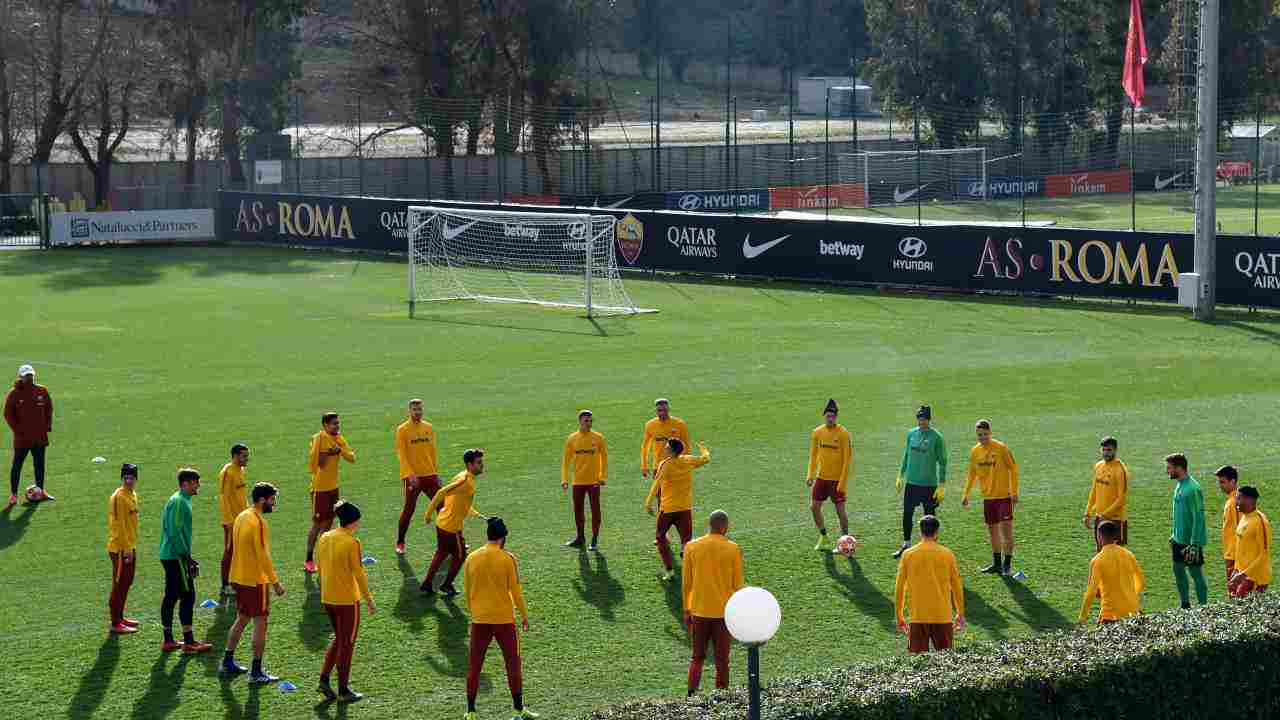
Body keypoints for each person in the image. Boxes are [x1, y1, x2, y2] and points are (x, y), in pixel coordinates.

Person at [462, 517, 538, 720]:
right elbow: (516, 591)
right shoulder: (508, 558)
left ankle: (470, 711)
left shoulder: (471, 558)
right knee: (513, 663)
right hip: (504, 620)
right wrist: (523, 615)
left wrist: (475, 612)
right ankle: (518, 709)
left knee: (475, 664)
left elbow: (468, 591)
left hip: (479, 620)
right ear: (503, 537)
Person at [222, 483, 286, 683]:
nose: (274, 503)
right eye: (272, 499)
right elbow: (262, 556)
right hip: (255, 580)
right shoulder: (258, 522)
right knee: (260, 622)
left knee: (242, 618)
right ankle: (256, 671)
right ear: (262, 499)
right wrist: (275, 583)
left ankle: (227, 661)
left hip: (239, 577)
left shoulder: (242, 516)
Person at [316, 500, 377, 702]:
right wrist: (369, 600)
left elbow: (321, 567)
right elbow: (359, 575)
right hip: (347, 601)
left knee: (339, 639)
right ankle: (343, 690)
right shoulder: (352, 543)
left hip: (327, 597)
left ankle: (324, 679)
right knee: (347, 643)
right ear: (353, 521)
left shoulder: (325, 537)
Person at [682, 510, 744, 696]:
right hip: (724, 615)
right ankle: (721, 696)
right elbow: (737, 585)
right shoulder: (733, 548)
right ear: (725, 526)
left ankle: (691, 695)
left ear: (710, 525)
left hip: (699, 612)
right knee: (722, 659)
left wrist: (686, 610)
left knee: (697, 657)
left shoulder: (692, 547)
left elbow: (687, 583)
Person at [422, 449, 488, 597]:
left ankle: (427, 583)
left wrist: (479, 516)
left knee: (441, 552)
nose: (482, 465)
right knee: (461, 555)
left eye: (481, 462)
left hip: (442, 523)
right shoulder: (464, 481)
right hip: (452, 528)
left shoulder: (463, 476)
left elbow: (460, 503)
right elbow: (441, 493)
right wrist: (428, 514)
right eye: (479, 462)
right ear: (470, 464)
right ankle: (446, 585)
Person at [893, 515, 964, 653]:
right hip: (943, 616)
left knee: (917, 665)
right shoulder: (947, 554)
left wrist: (899, 616)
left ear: (920, 532)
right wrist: (960, 613)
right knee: (946, 663)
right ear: (937, 532)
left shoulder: (908, 555)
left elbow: (900, 588)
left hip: (918, 617)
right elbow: (956, 586)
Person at [159, 468, 212, 653]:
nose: (199, 485)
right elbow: (174, 532)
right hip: (175, 556)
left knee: (172, 595)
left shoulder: (181, 500)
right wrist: (186, 557)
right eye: (196, 482)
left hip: (171, 555)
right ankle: (189, 642)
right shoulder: (179, 502)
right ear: (186, 483)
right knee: (187, 595)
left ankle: (168, 640)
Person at [644, 439, 711, 582]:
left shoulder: (665, 464)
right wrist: (703, 447)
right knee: (686, 541)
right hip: (685, 508)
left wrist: (648, 503)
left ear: (673, 451)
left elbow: (657, 484)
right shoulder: (688, 460)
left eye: (667, 447)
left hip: (667, 509)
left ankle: (669, 570)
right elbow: (706, 459)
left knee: (661, 538)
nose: (664, 449)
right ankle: (687, 561)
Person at [961, 419, 1020, 575]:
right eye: (979, 435)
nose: (982, 437)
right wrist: (966, 494)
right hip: (988, 498)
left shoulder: (1001, 448)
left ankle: (1007, 565)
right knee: (993, 532)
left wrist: (1014, 491)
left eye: (985, 434)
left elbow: (1013, 469)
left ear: (990, 433)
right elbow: (972, 474)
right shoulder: (975, 451)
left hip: (1004, 497)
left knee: (1006, 532)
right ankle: (996, 564)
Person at [894, 406, 947, 559]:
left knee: (929, 516)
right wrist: (900, 475)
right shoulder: (911, 434)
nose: (922, 422)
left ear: (929, 420)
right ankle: (906, 544)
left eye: (924, 419)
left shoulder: (936, 437)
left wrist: (942, 485)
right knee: (907, 514)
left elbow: (943, 462)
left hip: (929, 484)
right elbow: (906, 455)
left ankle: (932, 547)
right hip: (912, 483)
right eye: (920, 419)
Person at [307, 412, 356, 573]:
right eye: (334, 424)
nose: (337, 426)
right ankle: (308, 559)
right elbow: (319, 465)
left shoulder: (339, 439)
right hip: (319, 489)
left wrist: (340, 450)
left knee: (328, 524)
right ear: (325, 425)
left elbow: (352, 458)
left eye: (338, 423)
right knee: (317, 524)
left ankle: (324, 557)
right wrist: (329, 452)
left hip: (333, 488)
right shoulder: (319, 438)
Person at [806, 399, 853, 553]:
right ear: (824, 416)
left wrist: (842, 483)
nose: (830, 418)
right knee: (814, 507)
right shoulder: (817, 433)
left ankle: (845, 541)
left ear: (836, 417)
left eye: (832, 416)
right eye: (827, 416)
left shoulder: (843, 434)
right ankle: (823, 535)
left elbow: (847, 460)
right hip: (822, 478)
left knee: (840, 512)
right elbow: (813, 456)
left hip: (837, 480)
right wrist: (810, 475)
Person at [1078, 520, 1145, 625]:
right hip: (1132, 612)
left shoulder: (1097, 561)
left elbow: (1091, 592)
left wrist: (1083, 616)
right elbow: (1140, 582)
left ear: (1099, 536)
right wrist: (1130, 598)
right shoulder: (1129, 555)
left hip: (1111, 616)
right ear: (1115, 536)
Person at [5, 364, 54, 505]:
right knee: (17, 465)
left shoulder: (42, 390)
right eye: (27, 376)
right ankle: (14, 495)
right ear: (21, 377)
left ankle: (41, 491)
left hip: (40, 437)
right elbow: (8, 414)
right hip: (22, 439)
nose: (30, 377)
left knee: (40, 465)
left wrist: (47, 426)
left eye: (31, 375)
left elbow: (49, 408)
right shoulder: (14, 394)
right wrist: (17, 430)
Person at [395, 399, 439, 555]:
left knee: (443, 507)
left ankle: (446, 542)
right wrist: (409, 474)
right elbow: (401, 454)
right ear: (409, 411)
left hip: (430, 475)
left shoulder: (429, 427)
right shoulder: (402, 430)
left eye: (420, 409)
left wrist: (435, 472)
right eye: (415, 409)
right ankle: (400, 542)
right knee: (409, 510)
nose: (418, 412)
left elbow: (432, 451)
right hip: (413, 477)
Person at [561, 410, 609, 551]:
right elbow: (566, 461)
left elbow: (604, 459)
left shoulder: (598, 438)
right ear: (580, 422)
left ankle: (594, 539)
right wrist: (564, 479)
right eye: (586, 421)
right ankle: (580, 538)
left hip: (594, 482)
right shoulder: (572, 439)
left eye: (590, 421)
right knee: (578, 511)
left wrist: (602, 477)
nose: (589, 423)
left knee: (595, 510)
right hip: (578, 482)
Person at [1167, 453, 1208, 609]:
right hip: (1179, 540)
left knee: (1195, 573)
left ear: (1179, 468)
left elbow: (1198, 517)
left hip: (1191, 542)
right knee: (1178, 570)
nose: (1168, 471)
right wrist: (1174, 534)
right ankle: (1185, 604)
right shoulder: (1179, 485)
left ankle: (1204, 607)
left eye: (1169, 468)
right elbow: (1181, 514)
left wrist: (1194, 544)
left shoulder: (1193, 488)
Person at [106, 463, 141, 634]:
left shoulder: (132, 494)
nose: (128, 481)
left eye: (131, 477)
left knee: (127, 582)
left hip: (129, 546)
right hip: (120, 549)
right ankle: (115, 622)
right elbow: (119, 525)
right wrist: (127, 549)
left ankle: (120, 616)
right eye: (125, 477)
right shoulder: (119, 497)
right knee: (119, 584)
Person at [1083, 436, 1130, 552]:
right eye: (1103, 450)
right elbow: (1094, 491)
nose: (1105, 453)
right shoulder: (1098, 466)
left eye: (1109, 450)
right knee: (1101, 553)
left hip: (1116, 520)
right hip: (1100, 518)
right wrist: (1087, 513)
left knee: (1116, 556)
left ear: (1115, 450)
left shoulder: (1120, 470)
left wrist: (1105, 514)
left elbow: (1121, 499)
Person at [219, 444, 250, 596]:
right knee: (230, 551)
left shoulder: (241, 470)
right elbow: (224, 498)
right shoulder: (227, 472)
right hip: (232, 521)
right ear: (236, 456)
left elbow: (241, 495)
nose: (247, 459)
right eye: (244, 456)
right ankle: (225, 585)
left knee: (240, 551)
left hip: (242, 518)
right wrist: (229, 521)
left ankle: (236, 581)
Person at [1229, 486, 1271, 598]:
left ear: (1249, 500)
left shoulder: (1260, 521)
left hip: (1255, 578)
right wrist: (1236, 569)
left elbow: (1263, 554)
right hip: (1242, 574)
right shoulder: (1244, 517)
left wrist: (1243, 574)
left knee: (1244, 611)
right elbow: (1241, 548)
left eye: (1239, 498)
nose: (1236, 502)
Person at [640, 398, 689, 482]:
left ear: (669, 409)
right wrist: (644, 465)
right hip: (658, 466)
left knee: (674, 493)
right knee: (659, 494)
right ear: (656, 411)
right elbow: (645, 446)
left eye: (665, 410)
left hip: (676, 465)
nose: (662, 413)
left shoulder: (680, 424)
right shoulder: (650, 425)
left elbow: (686, 446)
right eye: (659, 410)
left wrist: (686, 463)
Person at [1217, 465, 1241, 590]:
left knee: (1235, 591)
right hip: (1231, 552)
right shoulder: (1232, 499)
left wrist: (1239, 556)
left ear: (1233, 481)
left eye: (1223, 482)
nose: (1220, 485)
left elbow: (1241, 529)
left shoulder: (1235, 502)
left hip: (1235, 554)